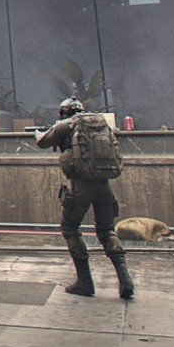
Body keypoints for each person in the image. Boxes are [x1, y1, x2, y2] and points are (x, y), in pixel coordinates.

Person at [36, 98, 133, 299]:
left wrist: (38, 132)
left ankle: (85, 281)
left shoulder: (65, 125)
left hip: (81, 186)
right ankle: (125, 280)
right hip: (104, 186)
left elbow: (42, 142)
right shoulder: (99, 124)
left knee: (70, 228)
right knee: (107, 230)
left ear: (63, 112)